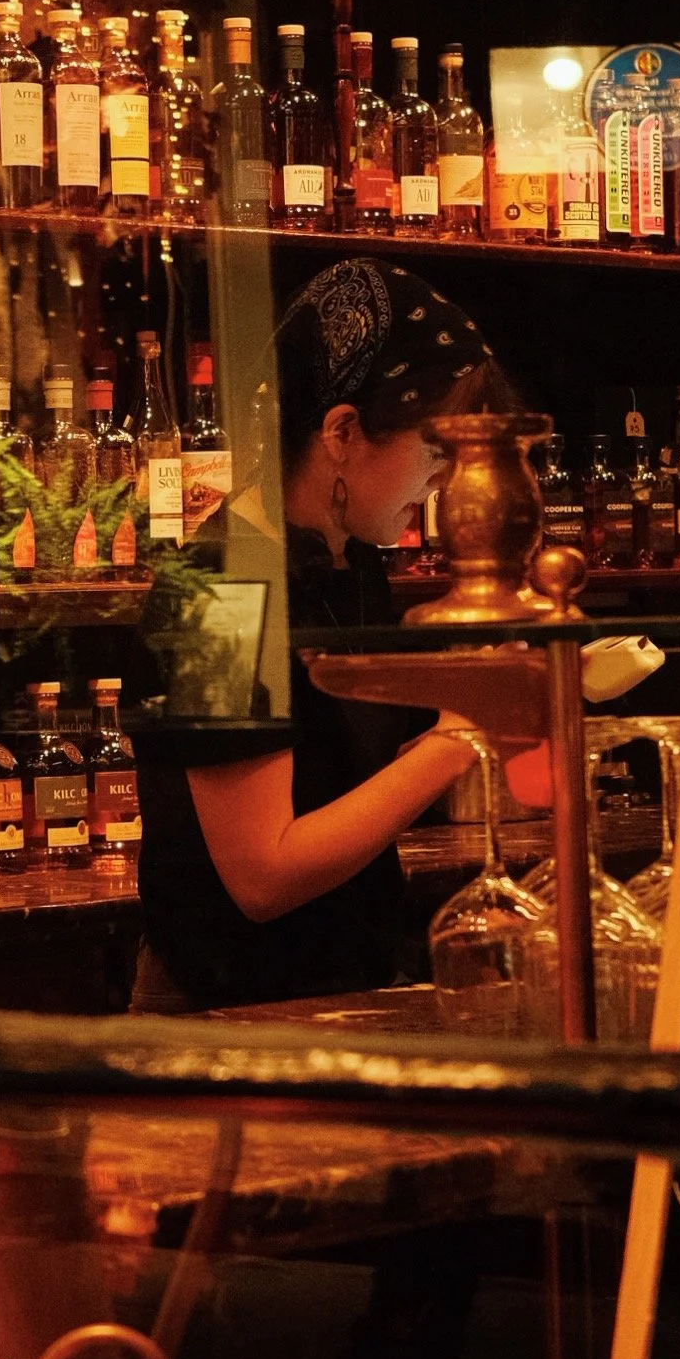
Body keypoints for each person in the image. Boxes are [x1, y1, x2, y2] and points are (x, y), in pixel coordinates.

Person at [133, 258, 502, 1014]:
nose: (446, 482)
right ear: (342, 432)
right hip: (229, 1023)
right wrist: (463, 734)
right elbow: (262, 877)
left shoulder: (349, 564)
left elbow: (349, 778)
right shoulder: (222, 592)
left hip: (342, 991)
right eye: (437, 451)